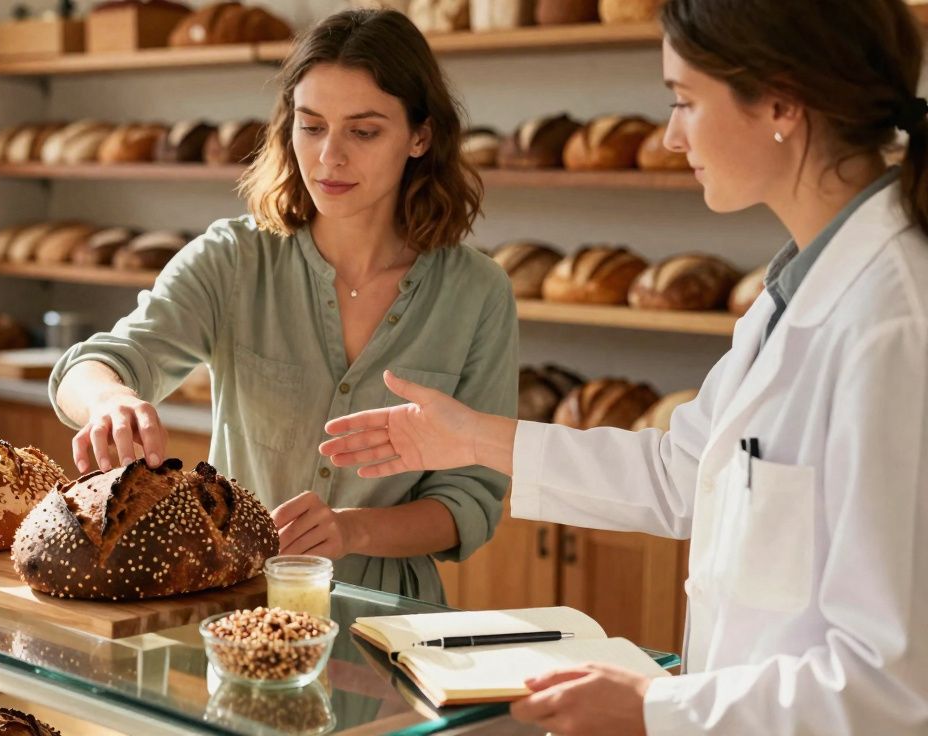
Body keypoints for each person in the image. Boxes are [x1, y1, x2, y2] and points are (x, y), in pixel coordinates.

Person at [321, 0, 928, 732]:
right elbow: (683, 473)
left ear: (780, 100)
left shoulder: (894, 326)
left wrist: (656, 709)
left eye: (685, 101)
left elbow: (892, 686)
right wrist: (472, 440)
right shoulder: (795, 294)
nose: (672, 135)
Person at [48, 9, 517, 603]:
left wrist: (353, 528)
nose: (329, 157)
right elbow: (90, 366)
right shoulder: (232, 259)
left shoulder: (478, 294)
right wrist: (110, 399)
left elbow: (469, 503)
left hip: (392, 621)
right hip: (239, 603)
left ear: (420, 136)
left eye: (364, 131)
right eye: (312, 126)